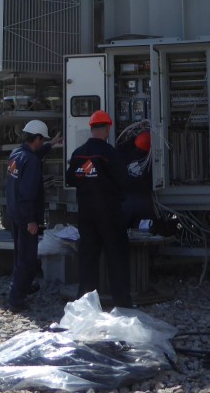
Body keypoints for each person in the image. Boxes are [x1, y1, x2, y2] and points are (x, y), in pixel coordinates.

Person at [65, 110, 134, 308]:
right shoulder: (109, 153)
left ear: (91, 128)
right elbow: (124, 180)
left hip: (86, 212)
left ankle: (86, 304)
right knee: (116, 255)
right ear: (107, 128)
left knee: (88, 256)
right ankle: (122, 304)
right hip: (109, 211)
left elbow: (71, 178)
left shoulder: (78, 153)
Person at [4, 120, 61, 311]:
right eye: (42, 140)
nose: (41, 142)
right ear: (36, 138)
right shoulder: (32, 162)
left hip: (14, 213)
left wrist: (50, 145)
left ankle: (22, 287)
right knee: (27, 258)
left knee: (19, 255)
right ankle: (16, 298)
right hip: (25, 216)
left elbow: (34, 155)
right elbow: (28, 193)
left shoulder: (16, 154)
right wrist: (31, 220)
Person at [118, 130, 155, 228]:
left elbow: (118, 148)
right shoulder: (151, 163)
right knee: (146, 229)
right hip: (144, 202)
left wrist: (131, 139)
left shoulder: (124, 156)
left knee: (123, 230)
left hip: (125, 201)